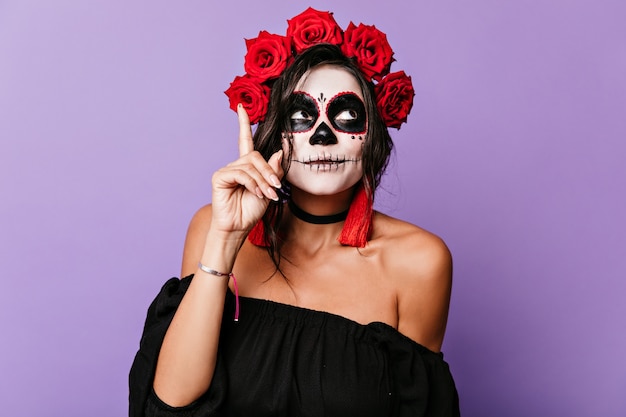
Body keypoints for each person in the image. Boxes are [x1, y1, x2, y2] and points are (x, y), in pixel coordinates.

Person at [130, 8, 459, 416]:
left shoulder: (419, 262)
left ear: (372, 135)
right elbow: (170, 404)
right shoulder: (210, 229)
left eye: (347, 116)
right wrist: (225, 241)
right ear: (271, 132)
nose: (323, 137)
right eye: (302, 117)